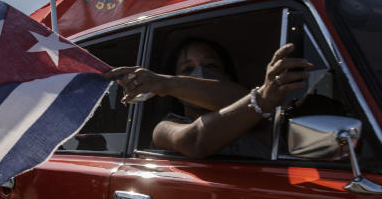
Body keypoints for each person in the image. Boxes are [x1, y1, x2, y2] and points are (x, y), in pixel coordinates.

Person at [105, 38, 312, 158]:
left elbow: (250, 98)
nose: (200, 73)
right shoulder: (166, 127)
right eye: (188, 69)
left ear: (227, 75)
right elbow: (195, 139)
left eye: (210, 66)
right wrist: (166, 84)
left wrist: (167, 83)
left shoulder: (260, 112)